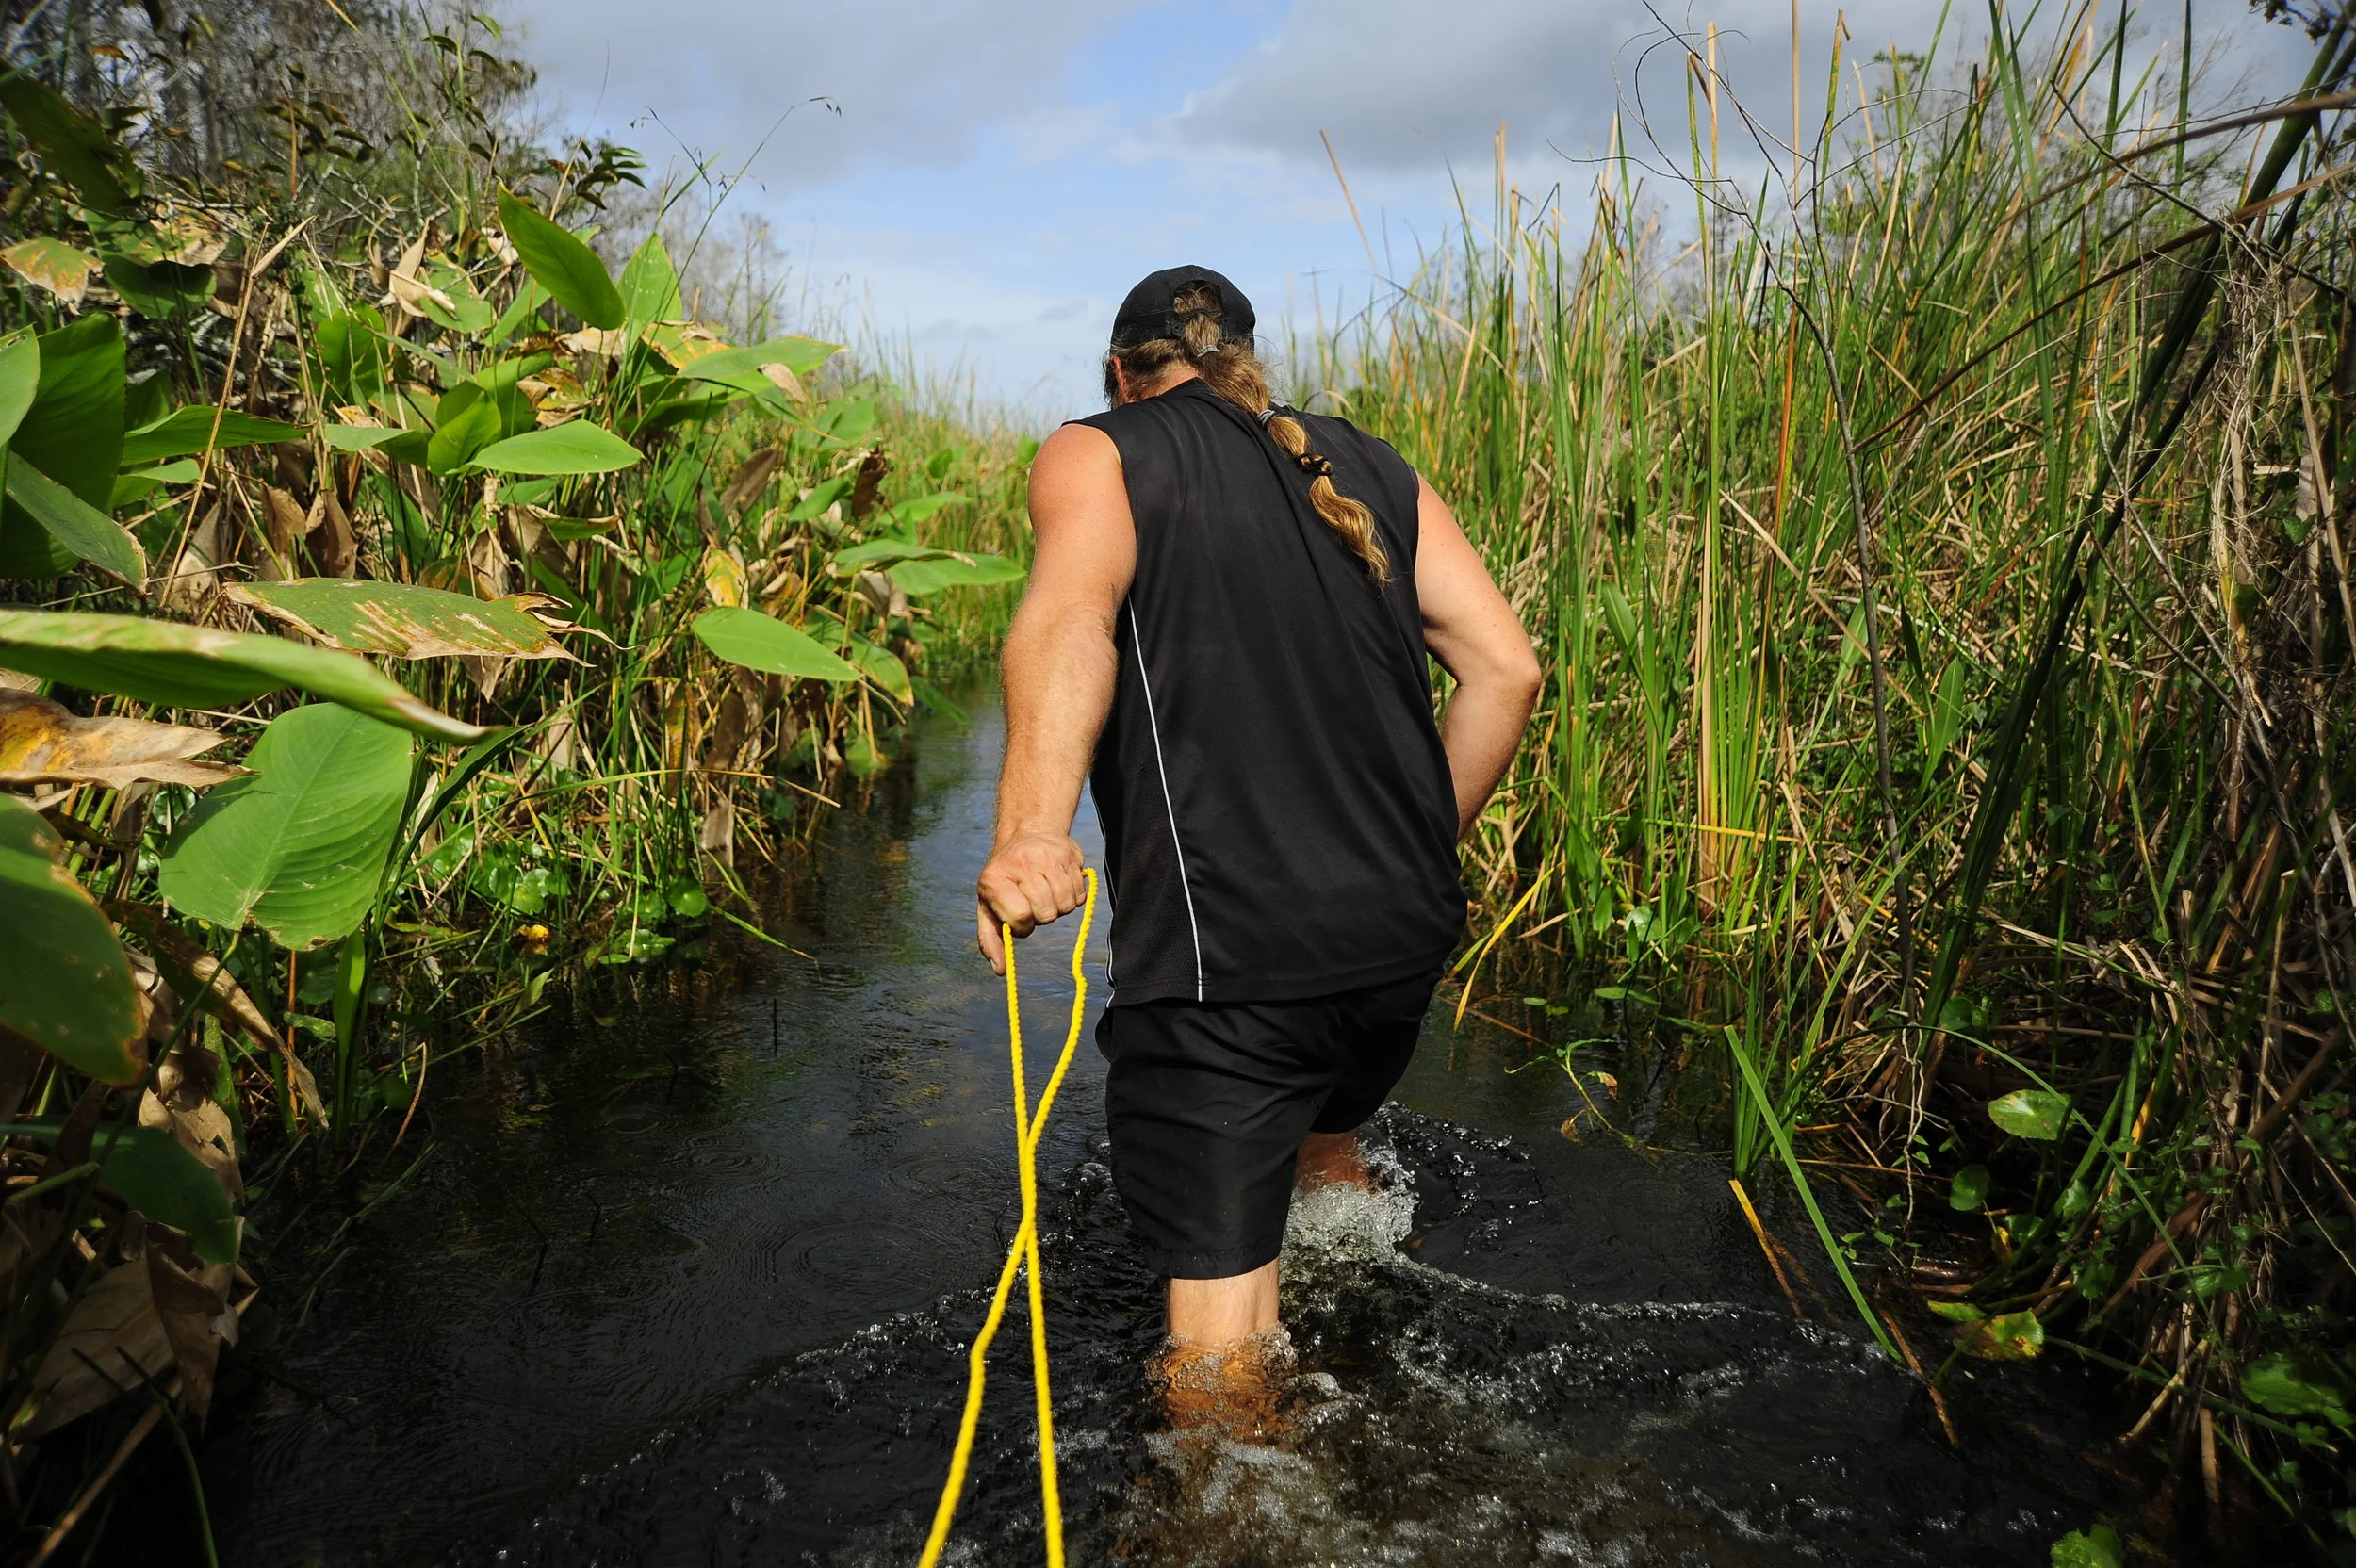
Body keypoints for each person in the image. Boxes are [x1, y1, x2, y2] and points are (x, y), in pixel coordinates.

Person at [973, 265, 1540, 1407]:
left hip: (1233, 959)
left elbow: (1070, 619)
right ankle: (1369, 1331)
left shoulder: (1096, 449)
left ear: (1118, 375)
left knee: (1219, 1368)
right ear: (1246, 360)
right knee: (1331, 1169)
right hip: (1398, 935)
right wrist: (1417, 842)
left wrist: (1034, 829)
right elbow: (1507, 669)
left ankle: (1239, 1506)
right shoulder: (1360, 458)